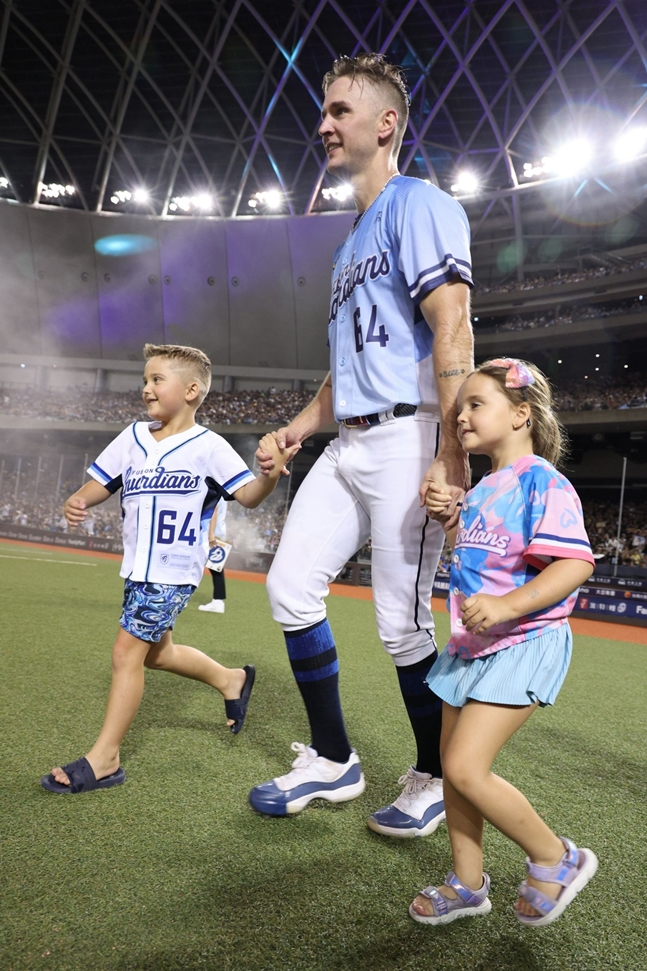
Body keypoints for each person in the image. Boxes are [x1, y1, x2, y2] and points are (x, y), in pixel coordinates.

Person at [249, 52, 473, 836]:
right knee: (288, 588)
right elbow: (348, 367)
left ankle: (435, 775)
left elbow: (451, 323)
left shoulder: (420, 203)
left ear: (385, 123)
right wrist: (299, 426)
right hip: (346, 441)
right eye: (323, 109)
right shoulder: (351, 244)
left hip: (408, 436)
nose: (322, 124)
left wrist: (453, 452)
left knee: (402, 624)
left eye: (339, 110)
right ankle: (334, 758)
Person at [41, 343, 297, 795]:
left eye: (157, 379)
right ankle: (231, 679)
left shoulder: (210, 447)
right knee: (156, 653)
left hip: (173, 568)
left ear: (192, 389)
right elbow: (101, 482)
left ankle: (105, 758)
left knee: (125, 654)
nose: (146, 389)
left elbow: (250, 496)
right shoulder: (132, 437)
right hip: (137, 567)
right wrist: (78, 498)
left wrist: (271, 474)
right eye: (145, 380)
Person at [409, 358, 598, 927]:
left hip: (523, 640)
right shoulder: (485, 485)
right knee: (452, 767)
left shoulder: (545, 480)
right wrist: (450, 521)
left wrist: (506, 607)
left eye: (475, 404)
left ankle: (555, 857)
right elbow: (483, 556)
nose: (461, 415)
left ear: (520, 415)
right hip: (471, 646)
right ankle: (467, 884)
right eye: (459, 406)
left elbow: (573, 565)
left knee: (467, 767)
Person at [199, 497, 229, 614]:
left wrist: (211, 534)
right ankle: (218, 601)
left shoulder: (214, 489)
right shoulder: (223, 491)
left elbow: (214, 510)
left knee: (214, 569)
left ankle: (218, 601)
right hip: (219, 533)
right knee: (216, 568)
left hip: (211, 535)